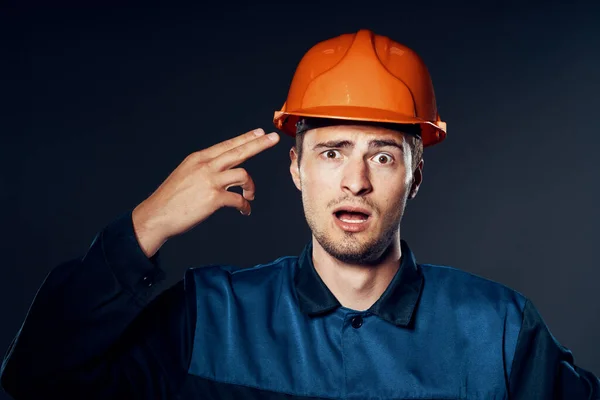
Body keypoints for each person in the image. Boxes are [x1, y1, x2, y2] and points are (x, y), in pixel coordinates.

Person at [1, 29, 598, 400]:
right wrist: (146, 226)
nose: (355, 181)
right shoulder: (210, 317)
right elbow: (36, 382)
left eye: (383, 156)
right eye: (332, 152)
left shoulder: (496, 331)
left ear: (416, 175)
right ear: (296, 168)